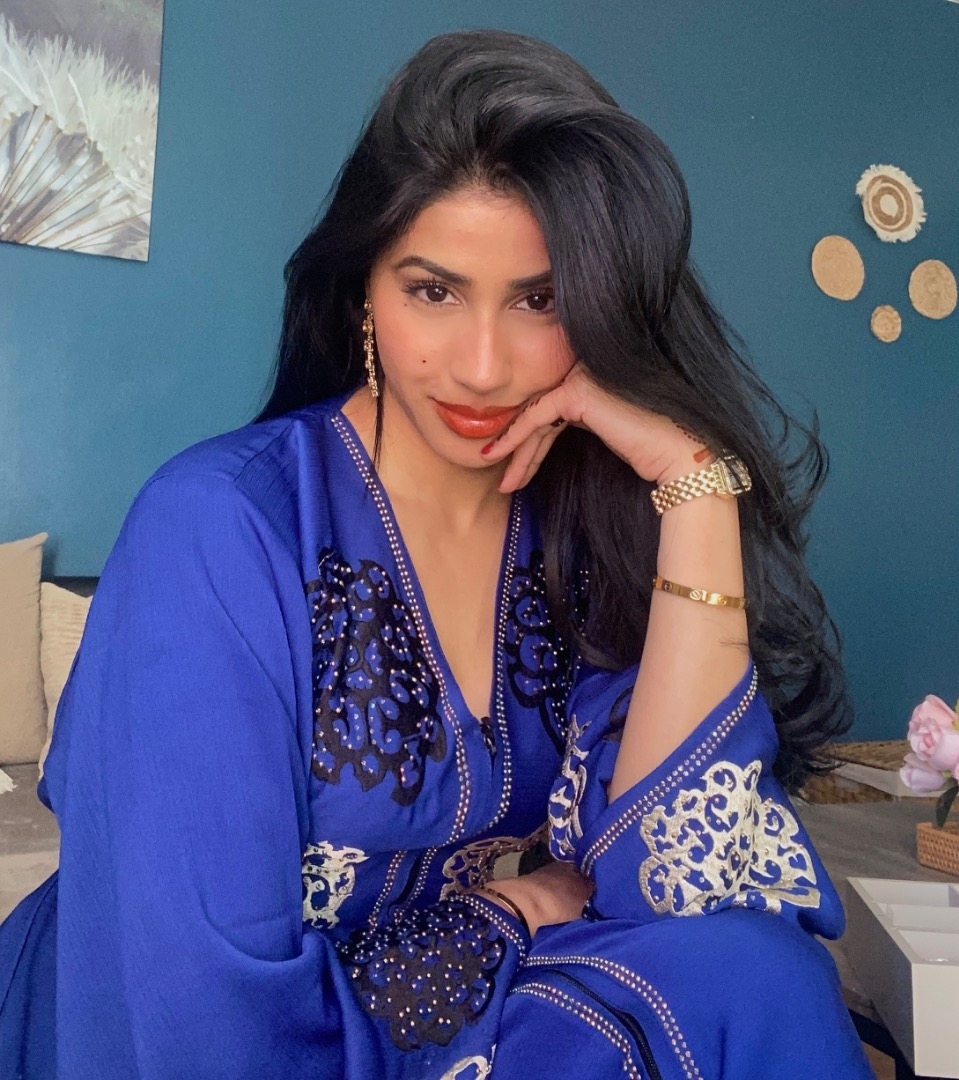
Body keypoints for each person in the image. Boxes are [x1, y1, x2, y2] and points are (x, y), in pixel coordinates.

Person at [0, 28, 872, 1080]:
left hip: (435, 1013)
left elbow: (676, 882)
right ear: (362, 291)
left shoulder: (579, 530)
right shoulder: (221, 529)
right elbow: (196, 1006)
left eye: (539, 300)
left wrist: (693, 483)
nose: (484, 366)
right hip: (199, 1033)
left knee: (756, 974)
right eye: (433, 291)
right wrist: (504, 912)